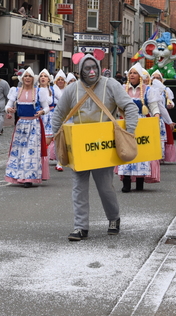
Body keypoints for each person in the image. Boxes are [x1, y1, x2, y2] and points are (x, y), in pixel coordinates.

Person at [52, 53, 138, 241]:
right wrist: (57, 138)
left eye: (94, 68)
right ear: (80, 70)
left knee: (105, 186)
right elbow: (58, 114)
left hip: (103, 146)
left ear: (99, 68)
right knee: (78, 187)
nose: (91, 72)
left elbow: (130, 107)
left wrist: (128, 133)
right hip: (79, 145)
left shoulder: (111, 85)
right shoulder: (72, 89)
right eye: (87, 68)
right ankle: (80, 227)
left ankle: (114, 218)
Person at [117, 63, 161, 192]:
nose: (132, 75)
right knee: (126, 150)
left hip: (142, 124)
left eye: (135, 73)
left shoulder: (148, 90)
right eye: (130, 73)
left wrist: (156, 118)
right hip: (126, 123)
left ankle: (140, 182)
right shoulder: (122, 88)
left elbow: (153, 107)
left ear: (140, 77)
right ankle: (126, 182)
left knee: (141, 152)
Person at [4, 67, 50, 187]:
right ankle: (18, 175)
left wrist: (42, 112)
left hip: (34, 124)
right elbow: (8, 105)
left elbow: (46, 107)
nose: (27, 78)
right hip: (21, 124)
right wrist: (9, 110)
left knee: (31, 151)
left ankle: (29, 178)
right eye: (25, 76)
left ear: (33, 79)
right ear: (22, 78)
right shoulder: (16, 90)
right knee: (19, 150)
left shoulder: (39, 91)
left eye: (30, 76)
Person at [151, 70, 176, 163]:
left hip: (162, 116)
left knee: (163, 137)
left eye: (158, 78)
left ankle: (161, 156)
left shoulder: (166, 90)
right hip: (151, 116)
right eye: (154, 77)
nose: (155, 80)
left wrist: (171, 105)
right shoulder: (148, 89)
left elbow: (169, 102)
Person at [38, 69, 61, 171]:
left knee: (46, 141)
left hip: (50, 116)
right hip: (38, 116)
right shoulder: (35, 90)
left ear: (49, 79)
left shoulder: (53, 89)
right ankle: (38, 161)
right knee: (37, 141)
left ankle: (43, 161)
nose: (43, 78)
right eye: (41, 76)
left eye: (45, 76)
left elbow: (64, 99)